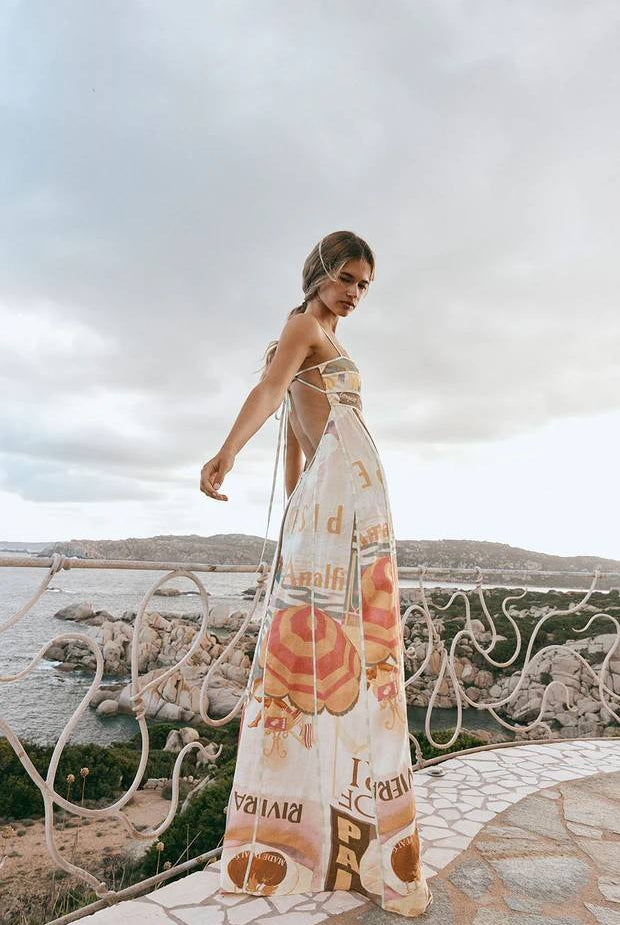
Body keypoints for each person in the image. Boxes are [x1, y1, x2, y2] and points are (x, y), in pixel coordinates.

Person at [200, 231, 433, 917]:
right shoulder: (303, 324)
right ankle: (325, 840)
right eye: (347, 277)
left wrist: (296, 501)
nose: (355, 292)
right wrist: (224, 454)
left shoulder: (328, 334)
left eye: (365, 283)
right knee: (335, 658)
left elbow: (305, 440)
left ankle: (343, 835)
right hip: (337, 512)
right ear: (320, 271)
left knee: (356, 659)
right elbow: (275, 393)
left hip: (346, 509)